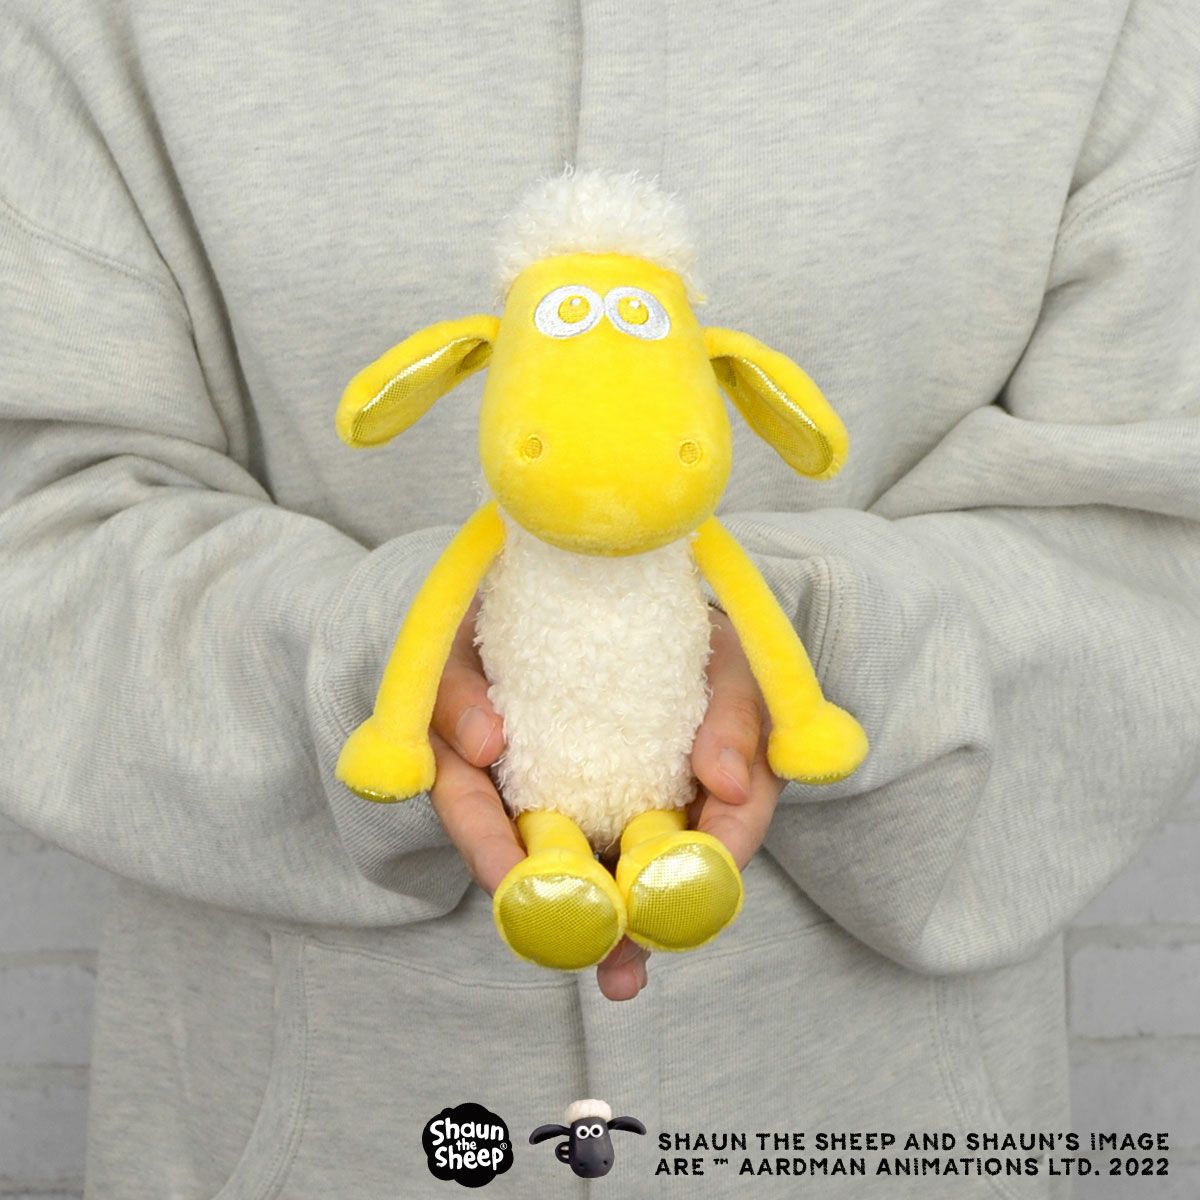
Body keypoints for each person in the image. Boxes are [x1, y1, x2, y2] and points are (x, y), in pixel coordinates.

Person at [0, 2, 1196, 1197]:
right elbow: (42, 526)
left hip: (880, 1129)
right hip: (315, 1140)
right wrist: (379, 666)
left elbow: (1147, 548)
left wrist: (812, 644)